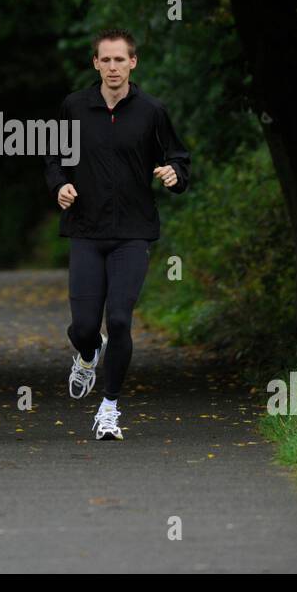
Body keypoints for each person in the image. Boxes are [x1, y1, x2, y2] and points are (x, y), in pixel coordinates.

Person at [44, 29, 190, 440]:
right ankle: (87, 354)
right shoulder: (74, 107)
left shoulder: (152, 111)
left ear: (133, 63)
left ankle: (109, 408)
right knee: (85, 325)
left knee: (121, 320)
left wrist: (173, 174)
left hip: (132, 233)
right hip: (86, 232)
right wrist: (59, 186)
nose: (112, 67)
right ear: (95, 64)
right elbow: (54, 157)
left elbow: (179, 157)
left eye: (119, 60)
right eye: (105, 60)